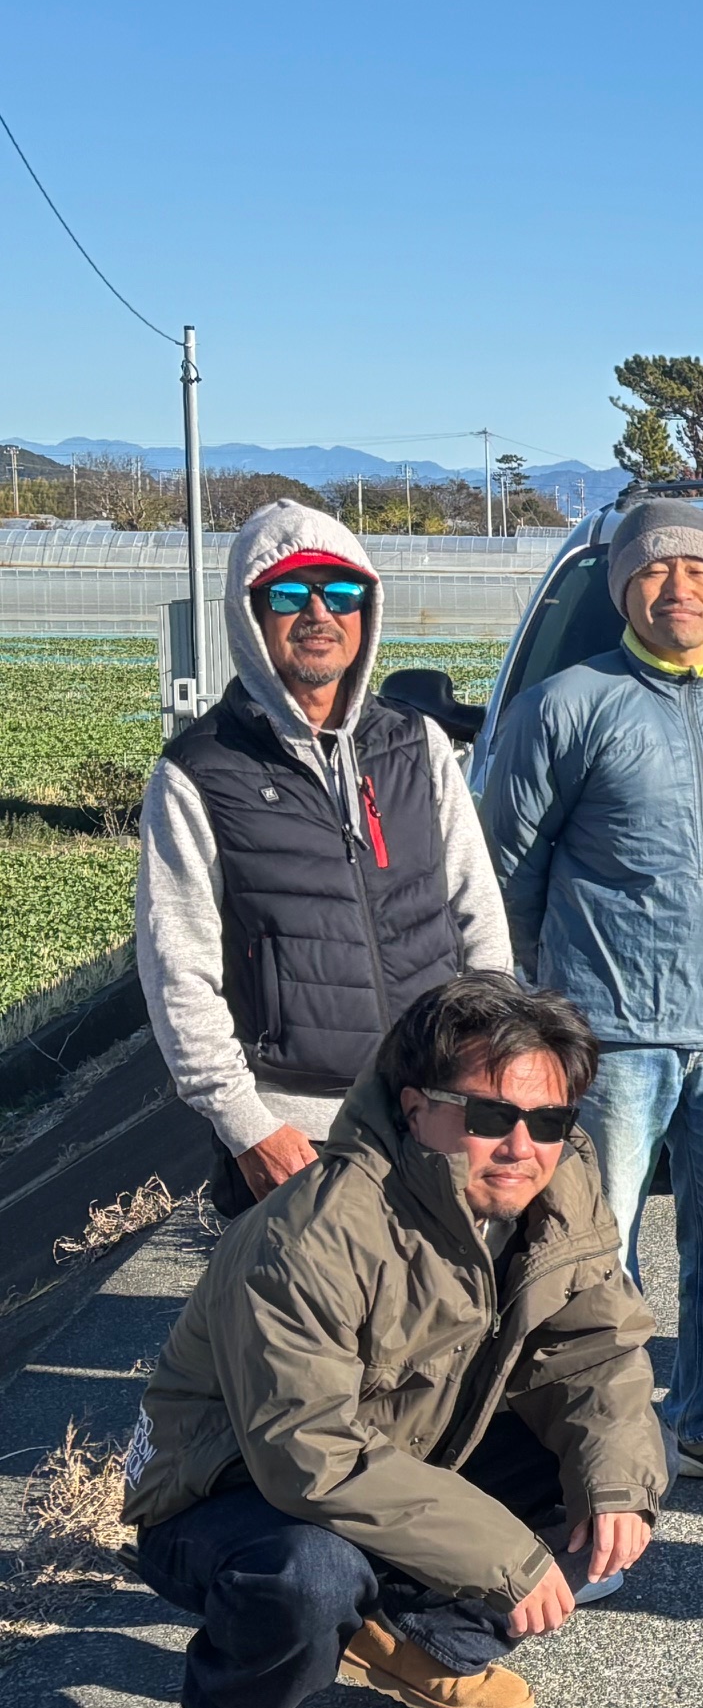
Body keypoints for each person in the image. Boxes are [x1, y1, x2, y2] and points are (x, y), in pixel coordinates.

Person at [122, 973, 669, 1708]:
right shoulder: (310, 1235)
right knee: (310, 1573)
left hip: (405, 1448)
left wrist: (615, 1487)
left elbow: (594, 1353)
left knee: (613, 1473)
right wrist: (504, 1558)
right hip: (224, 1489)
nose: (523, 1145)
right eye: (489, 1116)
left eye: (551, 1121)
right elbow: (310, 1456)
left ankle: (413, 1642)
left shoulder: (558, 1189)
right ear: (415, 1108)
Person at [482, 499, 703, 1497]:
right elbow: (508, 864)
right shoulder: (565, 705)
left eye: (701, 573)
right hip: (608, 1034)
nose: (680, 588)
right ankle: (604, 1443)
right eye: (657, 571)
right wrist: (546, 1007)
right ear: (625, 587)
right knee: (596, 1250)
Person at [136, 499, 510, 1213]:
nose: (319, 613)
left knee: (445, 1321)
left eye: (340, 593)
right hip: (297, 1133)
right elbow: (177, 968)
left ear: (365, 610)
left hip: (433, 1107)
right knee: (306, 1326)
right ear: (251, 615)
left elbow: (477, 915)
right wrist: (248, 1129)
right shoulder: (201, 771)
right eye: (289, 594)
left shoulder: (416, 745)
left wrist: (482, 1067)